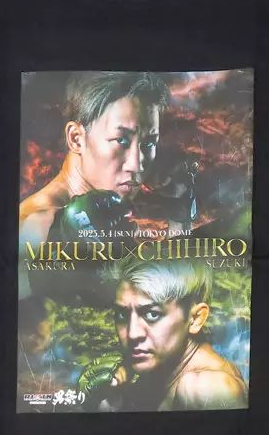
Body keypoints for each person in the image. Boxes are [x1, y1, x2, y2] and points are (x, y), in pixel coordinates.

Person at [18, 71, 171, 300]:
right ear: (76, 138)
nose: (137, 164)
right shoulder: (37, 223)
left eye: (149, 143)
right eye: (121, 140)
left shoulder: (110, 215)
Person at [79, 257, 248, 411]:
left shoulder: (204, 388)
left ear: (196, 318)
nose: (132, 334)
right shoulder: (154, 371)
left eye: (152, 314)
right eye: (122, 315)